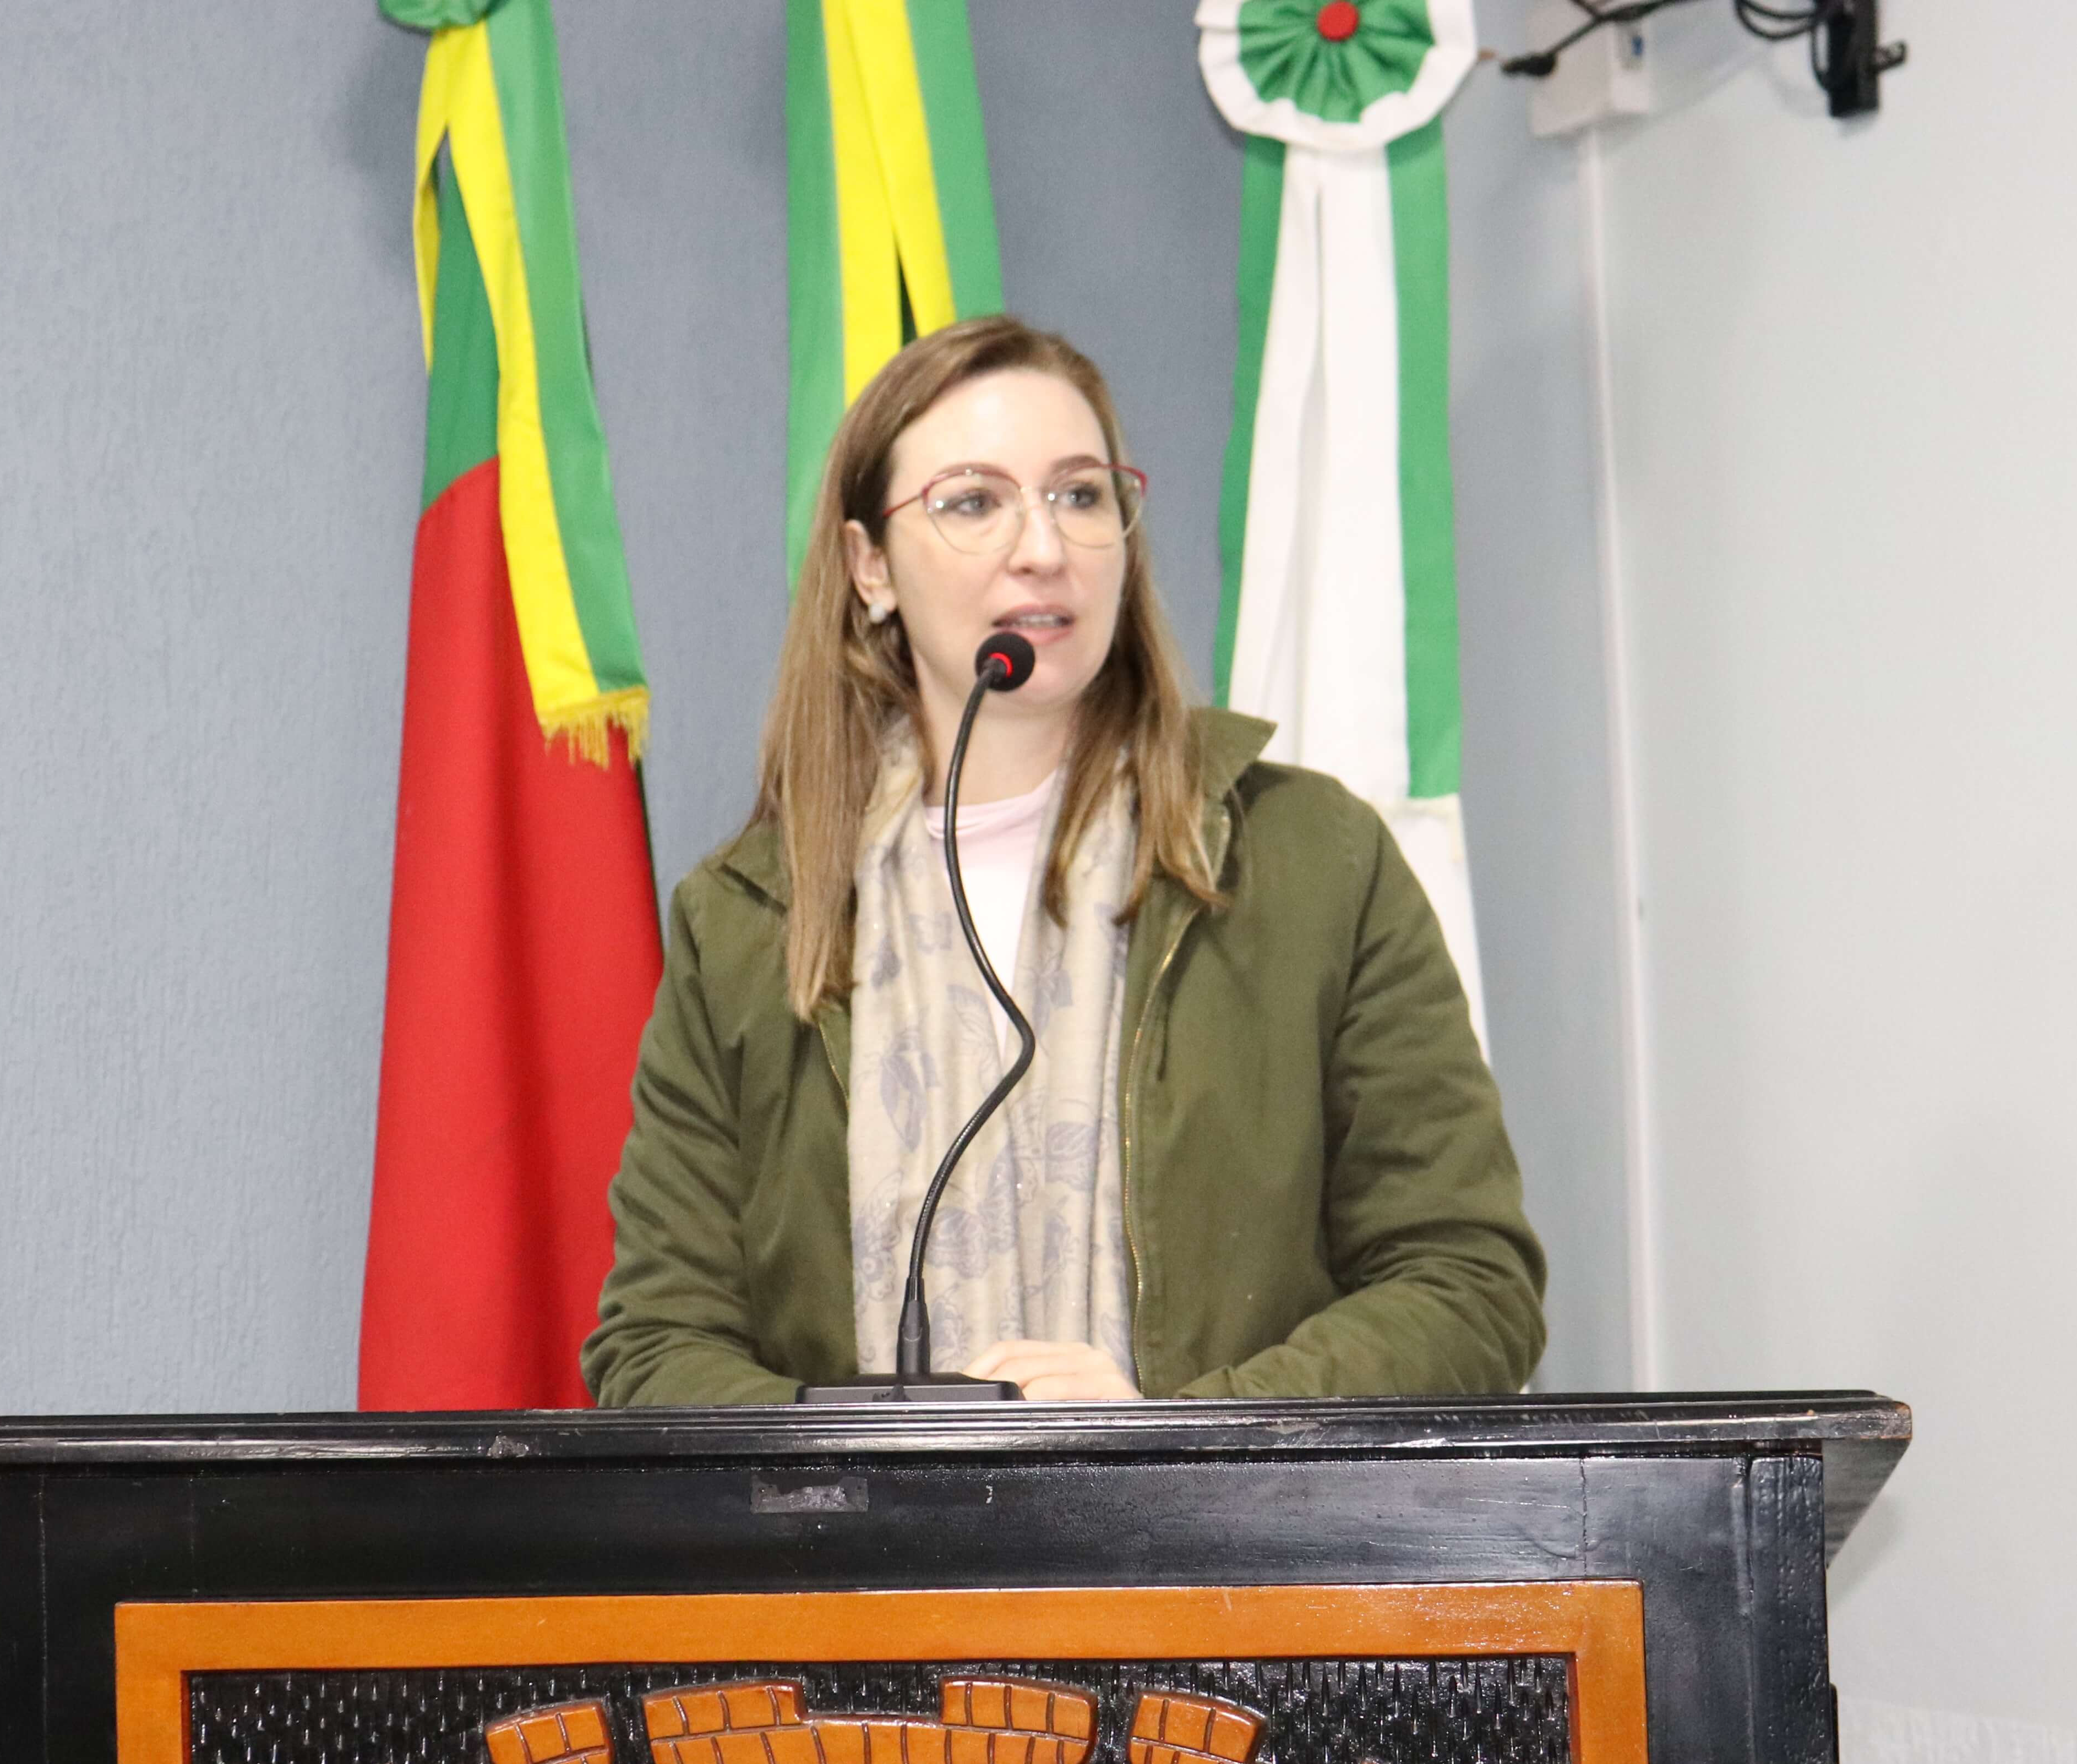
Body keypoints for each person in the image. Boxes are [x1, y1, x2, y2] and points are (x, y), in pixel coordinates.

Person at [582, 317, 1544, 1405]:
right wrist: (880, 1450)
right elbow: (656, 1347)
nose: (1044, 546)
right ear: (870, 566)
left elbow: (1468, 1286)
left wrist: (1171, 1437)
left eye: (1081, 495)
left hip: (1227, 1520)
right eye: (974, 502)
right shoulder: (749, 919)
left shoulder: (1315, 860)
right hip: (861, 1525)